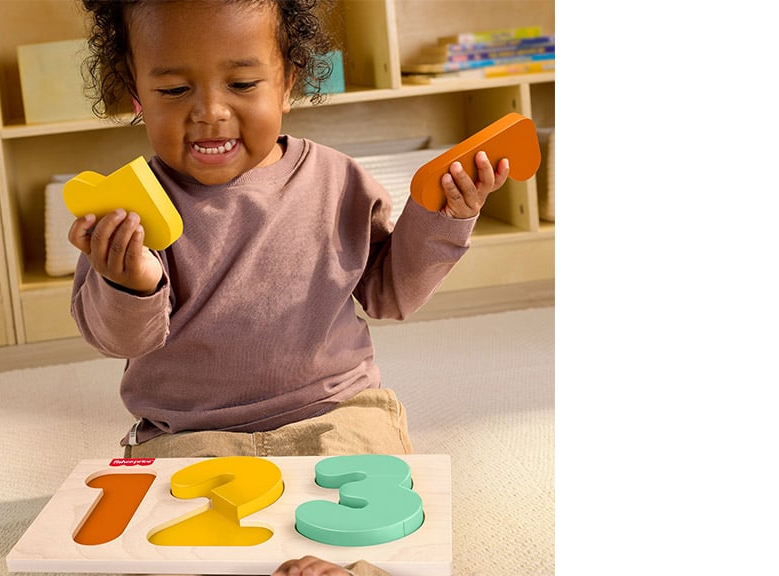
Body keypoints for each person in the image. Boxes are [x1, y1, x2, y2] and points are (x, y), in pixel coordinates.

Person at [68, 1, 509, 574]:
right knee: (171, 551)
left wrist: (444, 217)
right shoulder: (131, 208)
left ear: (288, 82)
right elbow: (118, 339)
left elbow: (389, 294)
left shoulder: (339, 181)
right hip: (191, 430)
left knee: (385, 527)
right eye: (174, 90)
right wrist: (128, 282)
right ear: (136, 95)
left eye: (242, 84)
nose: (210, 112)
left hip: (335, 410)